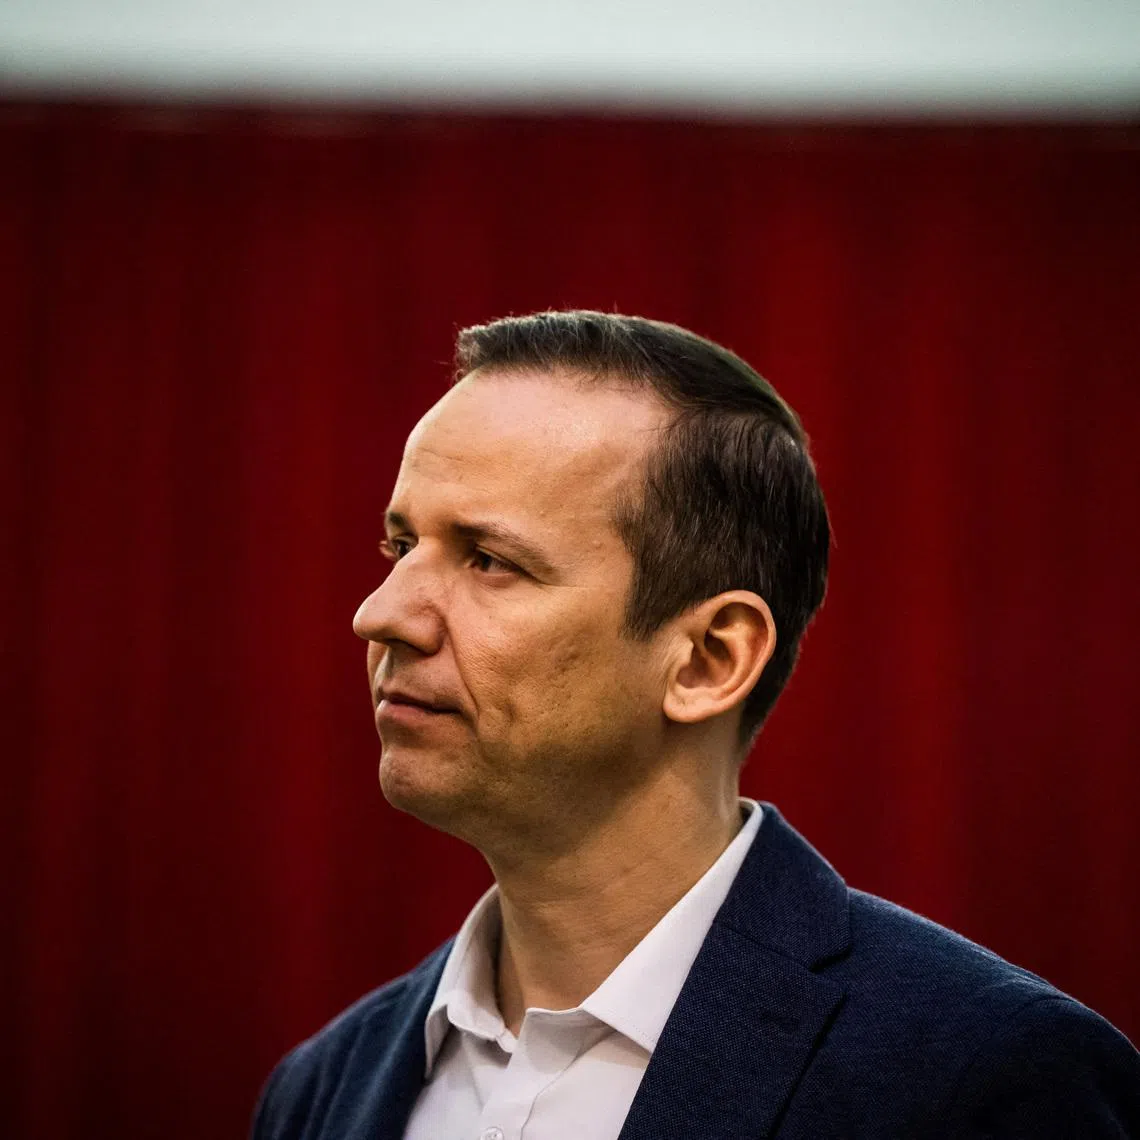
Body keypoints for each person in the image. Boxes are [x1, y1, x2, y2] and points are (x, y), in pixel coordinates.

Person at [252, 310, 1139, 1139]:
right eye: (402, 547)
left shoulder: (989, 1079)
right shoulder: (322, 1089)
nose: (381, 613)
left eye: (490, 561)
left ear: (710, 659)